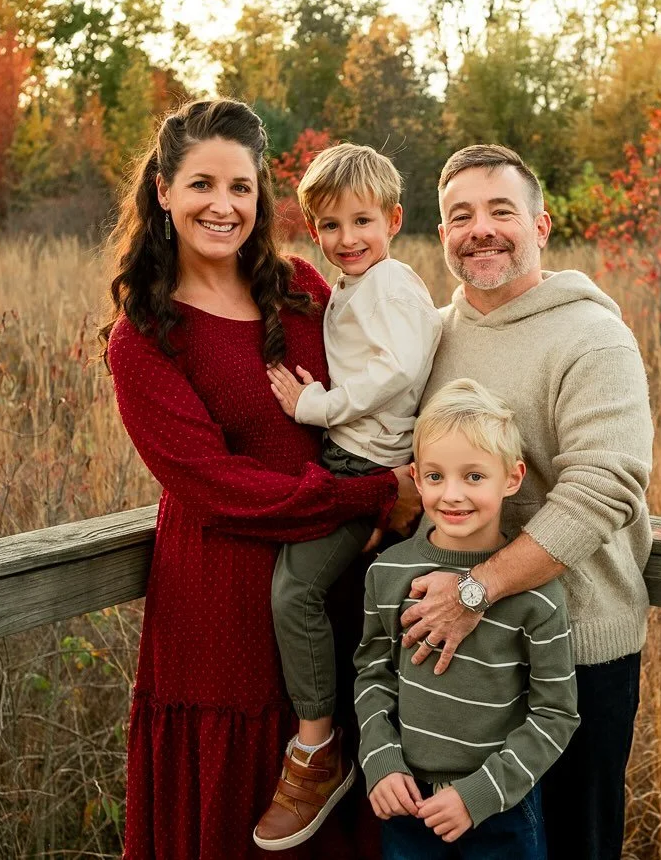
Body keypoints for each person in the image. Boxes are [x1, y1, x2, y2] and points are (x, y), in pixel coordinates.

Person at [100, 99, 420, 859]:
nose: (223, 205)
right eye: (202, 185)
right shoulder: (144, 336)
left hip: (335, 576)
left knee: (344, 791)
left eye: (240, 187)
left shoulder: (304, 285)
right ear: (163, 193)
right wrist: (374, 495)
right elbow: (217, 485)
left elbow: (395, 373)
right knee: (237, 824)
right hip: (223, 604)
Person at [400, 145, 654, 860]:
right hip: (458, 654)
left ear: (540, 226)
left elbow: (604, 484)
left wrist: (476, 590)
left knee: (575, 842)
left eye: (501, 211)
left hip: (576, 654)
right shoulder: (435, 336)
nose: (481, 229)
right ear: (441, 233)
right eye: (460, 216)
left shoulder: (591, 336)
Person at [254, 143, 442, 851]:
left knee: (293, 593)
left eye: (362, 221)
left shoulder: (390, 284)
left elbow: (396, 374)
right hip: (353, 459)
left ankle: (318, 745)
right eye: (329, 225)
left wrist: (316, 405)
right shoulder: (358, 287)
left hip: (363, 459)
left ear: (393, 218)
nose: (346, 239)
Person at [354, 378, 579, 860]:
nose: (452, 495)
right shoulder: (388, 572)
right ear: (415, 478)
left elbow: (555, 713)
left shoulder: (537, 595)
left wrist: (478, 795)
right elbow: (373, 676)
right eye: (435, 477)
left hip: (501, 809)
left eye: (474, 476)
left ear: (512, 478)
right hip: (406, 801)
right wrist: (381, 761)